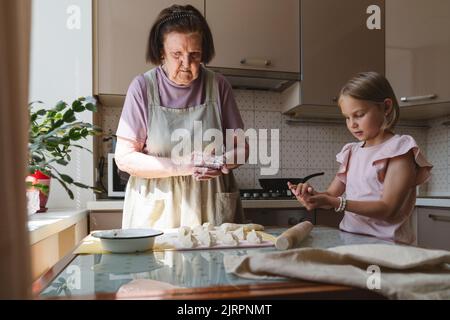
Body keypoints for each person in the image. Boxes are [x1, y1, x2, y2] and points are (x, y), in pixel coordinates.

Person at [114, 4, 247, 229]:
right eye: (177, 54)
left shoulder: (218, 86)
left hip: (211, 206)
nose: (187, 64)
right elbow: (124, 157)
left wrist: (221, 161)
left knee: (215, 263)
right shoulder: (143, 88)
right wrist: (183, 165)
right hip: (158, 210)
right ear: (161, 52)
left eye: (194, 55)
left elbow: (242, 148)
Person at [288, 71, 432, 244]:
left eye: (359, 115)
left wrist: (335, 202)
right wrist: (313, 197)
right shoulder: (351, 152)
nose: (352, 124)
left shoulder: (400, 150)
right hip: (350, 241)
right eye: (347, 117)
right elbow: (331, 196)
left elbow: (388, 208)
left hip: (388, 247)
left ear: (386, 107)